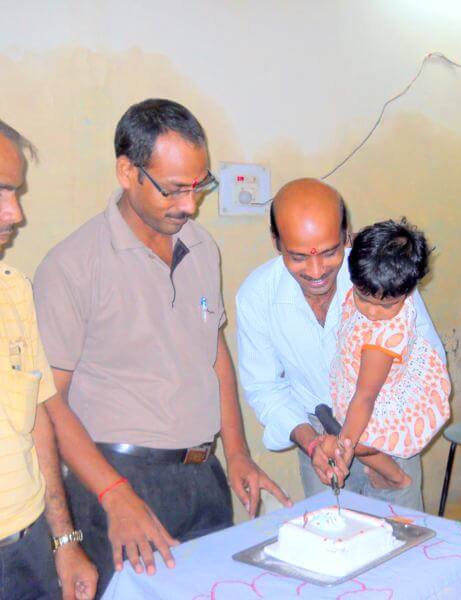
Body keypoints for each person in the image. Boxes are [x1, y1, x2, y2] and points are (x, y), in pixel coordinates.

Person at [33, 99, 290, 596]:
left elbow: (214, 355)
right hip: (119, 482)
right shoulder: (73, 265)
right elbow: (49, 404)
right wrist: (114, 495)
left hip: (203, 477)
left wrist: (237, 453)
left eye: (199, 186)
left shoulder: (202, 247)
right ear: (128, 172)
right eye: (173, 189)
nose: (189, 206)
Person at [236, 178, 447, 511]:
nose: (316, 271)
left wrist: (378, 438)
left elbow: (428, 359)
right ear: (276, 241)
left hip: (386, 424)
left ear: (347, 235)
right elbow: (264, 388)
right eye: (298, 257)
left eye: (330, 252)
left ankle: (392, 476)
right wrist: (311, 443)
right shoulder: (257, 296)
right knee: (331, 533)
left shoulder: (380, 278)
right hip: (317, 435)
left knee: (399, 533)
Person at [0, 119, 97, 599]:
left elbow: (38, 417)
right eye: (0, 192)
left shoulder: (15, 292)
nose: (15, 213)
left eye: (15, 192)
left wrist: (64, 540)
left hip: (29, 552)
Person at [321, 218, 451, 488]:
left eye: (385, 306)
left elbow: (365, 396)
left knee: (362, 442)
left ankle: (395, 476)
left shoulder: (380, 342)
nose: (372, 312)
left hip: (376, 396)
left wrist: (345, 443)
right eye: (363, 298)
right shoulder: (380, 281)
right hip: (363, 378)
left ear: (408, 290)